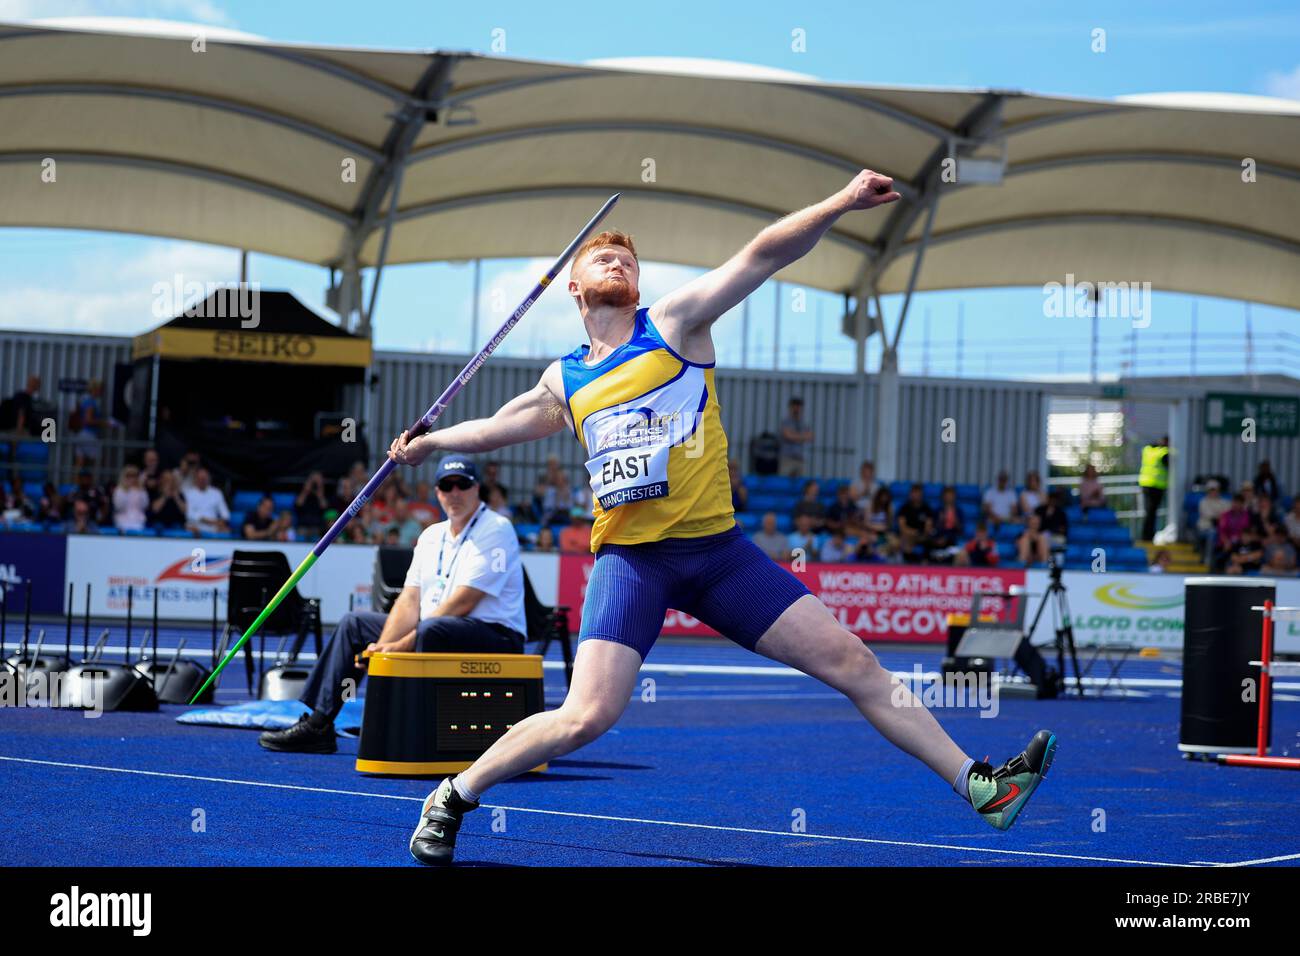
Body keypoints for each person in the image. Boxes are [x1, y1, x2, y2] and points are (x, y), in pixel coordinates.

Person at [388, 171, 1055, 866]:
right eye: (600, 260)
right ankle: (453, 795)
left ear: (638, 288)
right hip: (633, 563)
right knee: (588, 715)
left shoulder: (675, 325)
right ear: (575, 289)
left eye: (627, 261)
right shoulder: (565, 379)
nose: (616, 264)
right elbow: (499, 426)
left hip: (718, 555)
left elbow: (763, 254)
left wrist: (842, 202)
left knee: (854, 661)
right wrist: (431, 442)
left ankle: (981, 786)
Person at [260, 456, 528, 753]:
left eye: (462, 484)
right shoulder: (430, 535)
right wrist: (377, 648)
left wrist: (398, 645)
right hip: (438, 627)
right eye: (446, 485)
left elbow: (464, 602)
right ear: (437, 492)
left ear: (477, 488)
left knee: (432, 628)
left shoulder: (496, 528)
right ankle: (319, 724)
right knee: (355, 624)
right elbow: (409, 600)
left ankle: (411, 729)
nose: (454, 492)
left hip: (495, 635)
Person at [1138, 436, 1169, 542]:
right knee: (1151, 513)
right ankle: (1147, 537)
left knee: (1149, 512)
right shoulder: (1163, 452)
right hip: (1156, 486)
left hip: (1145, 483)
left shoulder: (1148, 449)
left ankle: (1146, 536)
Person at [183, 468, 230, 535]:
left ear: (209, 479)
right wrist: (206, 520)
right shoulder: (189, 493)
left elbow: (226, 514)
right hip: (195, 526)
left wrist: (221, 522)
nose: (202, 480)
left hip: (213, 527)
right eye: (200, 478)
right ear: (196, 479)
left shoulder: (217, 493)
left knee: (226, 530)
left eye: (204, 478)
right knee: (190, 528)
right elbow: (189, 514)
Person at [778, 397, 814, 477]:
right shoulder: (785, 422)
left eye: (799, 407)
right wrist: (802, 437)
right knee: (784, 481)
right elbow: (787, 435)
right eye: (794, 406)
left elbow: (811, 436)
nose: (797, 409)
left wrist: (794, 436)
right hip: (787, 458)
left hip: (800, 458)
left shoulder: (804, 423)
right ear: (790, 407)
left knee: (800, 483)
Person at [111, 465, 150, 532]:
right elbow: (119, 507)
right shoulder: (119, 490)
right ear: (124, 477)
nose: (131, 478)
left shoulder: (141, 490)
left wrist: (141, 489)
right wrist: (126, 491)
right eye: (129, 476)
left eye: (134, 476)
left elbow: (145, 506)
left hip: (138, 523)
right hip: (122, 523)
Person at [294, 471, 330, 537]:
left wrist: (320, 491)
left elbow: (325, 508)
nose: (315, 483)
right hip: (303, 524)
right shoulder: (302, 492)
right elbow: (298, 505)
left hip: (317, 526)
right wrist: (306, 491)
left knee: (317, 533)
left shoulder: (326, 493)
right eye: (313, 480)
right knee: (301, 532)